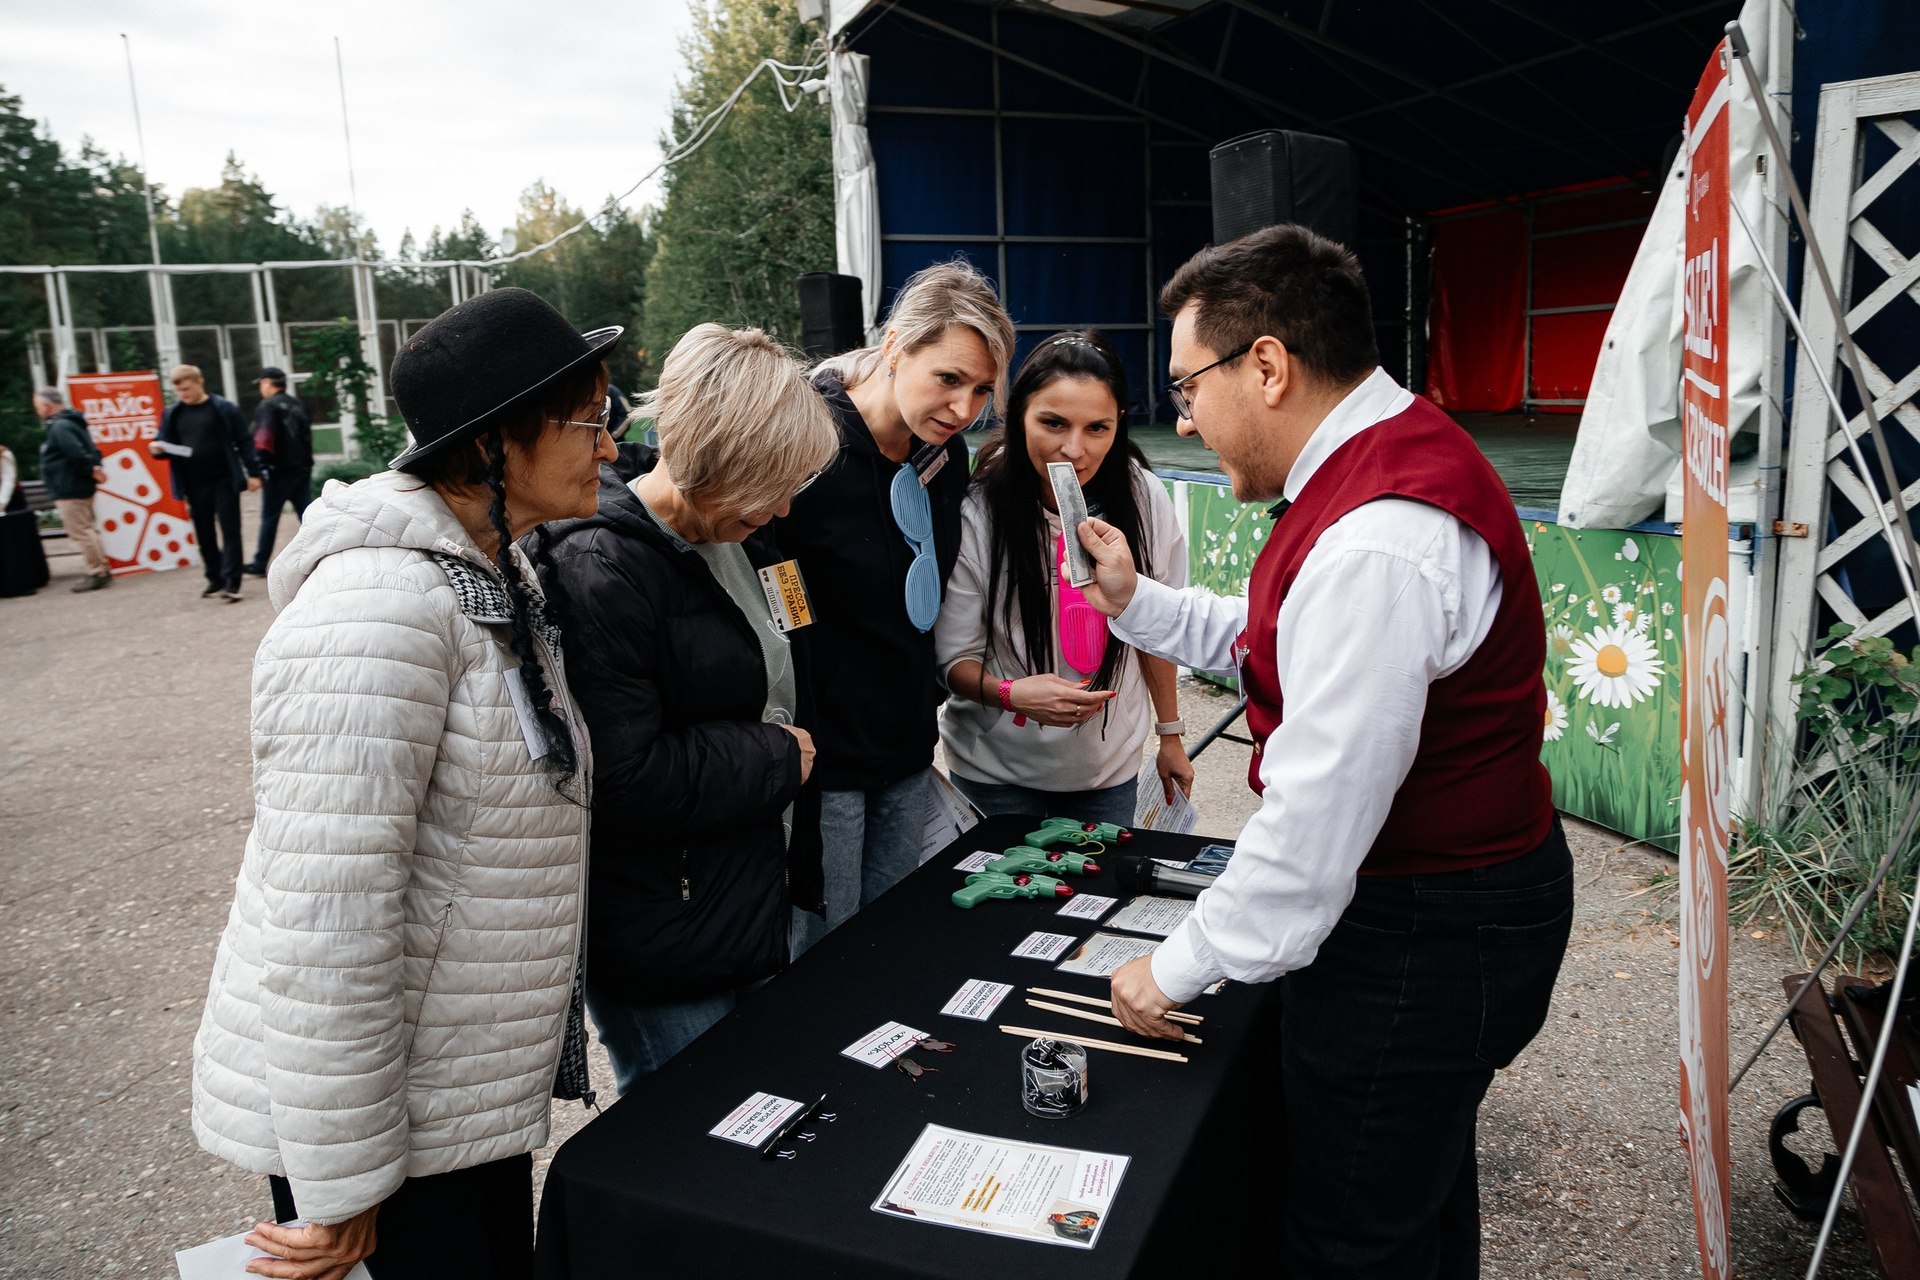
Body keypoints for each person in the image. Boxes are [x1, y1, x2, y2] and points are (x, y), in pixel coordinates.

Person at [1078, 225, 1572, 1277]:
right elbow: (1279, 636)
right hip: (1444, 906)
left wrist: (1174, 968)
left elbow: (1313, 826)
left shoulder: (1379, 537)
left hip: (1429, 930)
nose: (1183, 418)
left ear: (1266, 366)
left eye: (1188, 386)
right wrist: (1137, 600)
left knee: (1352, 1234)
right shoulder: (1372, 462)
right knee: (1414, 1193)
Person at [191, 287, 619, 1280]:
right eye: (590, 420)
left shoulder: (489, 571)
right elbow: (325, 918)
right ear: (495, 442)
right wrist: (342, 1184)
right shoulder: (376, 609)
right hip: (382, 1136)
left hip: (449, 1101)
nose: (610, 444)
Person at [534, 324, 839, 1093]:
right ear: (713, 458)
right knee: (686, 1121)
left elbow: (788, 654)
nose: (782, 508)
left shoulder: (751, 537)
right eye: (769, 485)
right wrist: (777, 756)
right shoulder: (598, 568)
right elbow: (618, 777)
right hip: (665, 927)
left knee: (762, 1107)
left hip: (748, 892)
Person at [780, 258, 1015, 954]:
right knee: (823, 957)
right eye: (949, 379)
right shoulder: (803, 442)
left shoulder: (944, 458)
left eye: (982, 390)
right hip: (824, 762)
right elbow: (774, 597)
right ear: (894, 347)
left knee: (890, 943)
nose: (964, 408)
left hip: (908, 751)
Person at [934, 330, 1191, 825]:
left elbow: (1157, 629)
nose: (1074, 449)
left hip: (1106, 773)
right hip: (994, 773)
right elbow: (953, 658)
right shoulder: (979, 509)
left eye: (1098, 428)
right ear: (1019, 416)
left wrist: (1170, 734)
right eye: (1053, 423)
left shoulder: (1144, 499)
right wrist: (1010, 694)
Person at [152, 365, 262, 600]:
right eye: (179, 390)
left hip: (224, 479)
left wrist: (254, 473)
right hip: (193, 482)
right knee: (204, 533)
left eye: (187, 389)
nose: (183, 394)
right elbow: (163, 442)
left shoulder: (222, 408)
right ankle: (215, 578)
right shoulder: (172, 413)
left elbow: (244, 441)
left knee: (230, 530)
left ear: (199, 382)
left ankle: (232, 582)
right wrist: (157, 449)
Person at [32, 386, 109, 591]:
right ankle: (101, 568)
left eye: (37, 406)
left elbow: (76, 453)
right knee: (87, 529)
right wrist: (93, 468)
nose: (37, 411)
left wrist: (90, 469)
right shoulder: (72, 422)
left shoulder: (60, 426)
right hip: (77, 484)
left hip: (69, 486)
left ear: (46, 406)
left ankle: (97, 572)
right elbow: (90, 450)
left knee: (81, 531)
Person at [242, 366, 313, 577]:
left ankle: (259, 563)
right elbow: (306, 437)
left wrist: (259, 469)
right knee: (308, 516)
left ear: (267, 383)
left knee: (270, 518)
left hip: (278, 471)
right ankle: (322, 555)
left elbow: (263, 440)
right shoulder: (298, 404)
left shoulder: (267, 406)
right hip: (301, 468)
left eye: (261, 384)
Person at [0, 442, 52, 597]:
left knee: (13, 543)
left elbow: (8, 480)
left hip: (10, 503)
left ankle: (21, 579)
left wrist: (1, 505)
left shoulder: (3, 453)